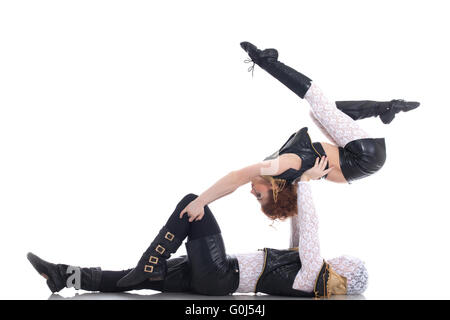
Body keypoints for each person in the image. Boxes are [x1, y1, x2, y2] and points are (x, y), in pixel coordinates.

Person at [28, 157, 367, 298]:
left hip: (220, 276)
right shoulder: (305, 271)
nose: (332, 259)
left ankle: (152, 261)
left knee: (196, 204)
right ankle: (63, 275)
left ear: (339, 273)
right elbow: (299, 230)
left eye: (339, 262)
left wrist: (307, 180)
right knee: (131, 277)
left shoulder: (311, 277)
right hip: (209, 275)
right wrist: (297, 182)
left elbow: (311, 229)